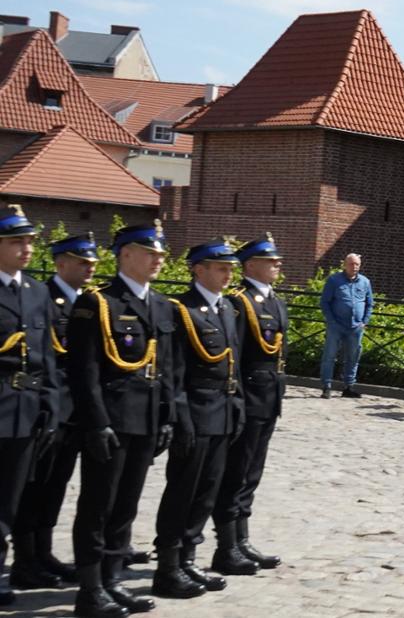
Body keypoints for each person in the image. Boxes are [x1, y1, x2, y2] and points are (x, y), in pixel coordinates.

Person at [69, 221, 176, 617]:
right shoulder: (98, 303)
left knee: (127, 505)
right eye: (150, 253)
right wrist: (96, 422)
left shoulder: (161, 305)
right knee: (98, 504)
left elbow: (166, 368)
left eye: (160, 254)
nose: (158, 260)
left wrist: (167, 416)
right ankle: (90, 588)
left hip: (145, 419)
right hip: (112, 420)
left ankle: (113, 579)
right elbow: (84, 371)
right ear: (125, 255)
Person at [151, 238, 247, 599]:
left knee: (207, 492)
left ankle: (188, 558)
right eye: (221, 268)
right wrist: (180, 418)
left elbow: (232, 361)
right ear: (198, 270)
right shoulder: (181, 309)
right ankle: (168, 565)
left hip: (222, 412)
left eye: (230, 268)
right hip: (195, 412)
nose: (228, 274)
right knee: (183, 491)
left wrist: (237, 404)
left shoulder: (226, 308)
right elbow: (172, 370)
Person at [12, 231, 98, 592]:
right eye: (82, 262)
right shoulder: (46, 298)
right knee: (35, 485)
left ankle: (44, 552)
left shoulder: (90, 302)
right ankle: (25, 559)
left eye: (92, 263)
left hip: (76, 409)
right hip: (51, 407)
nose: (89, 268)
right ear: (61, 263)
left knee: (57, 484)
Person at [212, 234, 288, 576]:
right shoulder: (239, 301)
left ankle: (242, 540)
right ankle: (227, 545)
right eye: (270, 261)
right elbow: (235, 357)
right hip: (249, 397)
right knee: (236, 474)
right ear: (251, 265)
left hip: (269, 398)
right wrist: (237, 400)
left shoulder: (274, 301)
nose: (277, 265)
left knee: (252, 473)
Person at [0, 206, 58, 607]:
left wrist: (50, 402)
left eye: (30, 241)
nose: (26, 248)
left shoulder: (37, 291)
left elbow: (46, 354)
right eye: (16, 241)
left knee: (9, 498)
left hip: (26, 409)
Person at [318, 254, 373, 399]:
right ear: (344, 265)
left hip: (356, 327)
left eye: (357, 264)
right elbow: (325, 302)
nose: (354, 267)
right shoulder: (334, 280)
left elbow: (369, 303)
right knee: (329, 356)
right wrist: (331, 321)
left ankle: (349, 386)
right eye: (351, 264)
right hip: (336, 325)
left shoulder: (365, 282)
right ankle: (326, 386)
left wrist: (364, 321)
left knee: (353, 357)